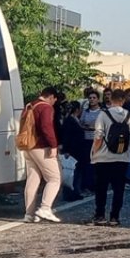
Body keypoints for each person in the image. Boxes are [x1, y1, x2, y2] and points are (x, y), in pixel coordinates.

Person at [91, 89, 130, 226]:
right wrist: (125, 149)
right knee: (119, 189)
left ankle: (100, 215)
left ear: (111, 99)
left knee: (101, 188)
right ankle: (114, 217)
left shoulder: (103, 115)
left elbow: (98, 135)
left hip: (103, 157)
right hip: (122, 158)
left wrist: (94, 151)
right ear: (123, 100)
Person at [22, 87, 62, 223]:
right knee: (54, 178)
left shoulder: (29, 105)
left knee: (33, 179)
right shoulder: (45, 107)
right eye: (54, 100)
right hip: (41, 146)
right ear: (51, 97)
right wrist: (53, 145)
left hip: (28, 146)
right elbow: (46, 127)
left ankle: (29, 214)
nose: (54, 103)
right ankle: (45, 208)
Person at [60, 102, 88, 201]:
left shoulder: (73, 119)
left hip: (77, 149)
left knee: (75, 172)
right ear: (77, 110)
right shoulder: (70, 121)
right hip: (73, 150)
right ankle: (71, 193)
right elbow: (66, 136)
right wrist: (66, 150)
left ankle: (75, 192)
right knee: (72, 172)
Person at [77, 89, 102, 195]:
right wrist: (85, 127)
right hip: (86, 140)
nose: (92, 100)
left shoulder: (102, 112)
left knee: (97, 164)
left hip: (97, 140)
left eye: (94, 98)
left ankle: (96, 185)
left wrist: (94, 127)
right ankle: (87, 185)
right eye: (90, 98)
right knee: (87, 164)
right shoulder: (85, 112)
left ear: (98, 99)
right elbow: (80, 123)